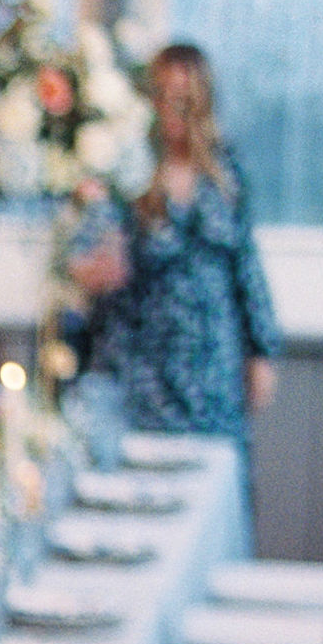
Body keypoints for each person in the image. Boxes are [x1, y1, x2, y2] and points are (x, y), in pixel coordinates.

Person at [65, 41, 279, 459]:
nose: (171, 107)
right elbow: (84, 254)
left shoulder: (225, 173)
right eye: (161, 95)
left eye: (184, 98)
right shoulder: (124, 169)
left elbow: (246, 265)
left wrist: (262, 352)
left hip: (210, 362)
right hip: (138, 362)